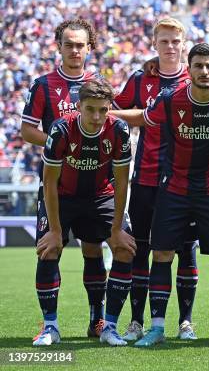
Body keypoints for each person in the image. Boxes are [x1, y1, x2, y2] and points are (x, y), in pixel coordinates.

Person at [111, 43, 209, 348]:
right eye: (199, 65)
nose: (205, 71)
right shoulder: (169, 99)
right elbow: (141, 119)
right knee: (161, 255)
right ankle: (157, 327)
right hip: (173, 191)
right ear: (189, 70)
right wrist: (105, 113)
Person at [21, 19, 109, 338]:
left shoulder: (99, 84)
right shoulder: (43, 85)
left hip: (95, 186)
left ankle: (97, 320)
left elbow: (111, 126)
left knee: (93, 249)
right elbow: (27, 130)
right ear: (58, 46)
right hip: (56, 187)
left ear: (89, 47)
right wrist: (60, 142)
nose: (74, 50)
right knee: (49, 249)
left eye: (80, 44)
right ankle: (50, 326)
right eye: (68, 44)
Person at [113, 18, 200, 342]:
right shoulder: (140, 79)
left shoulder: (195, 78)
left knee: (185, 251)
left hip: (185, 181)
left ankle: (185, 322)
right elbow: (114, 112)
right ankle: (136, 320)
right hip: (146, 180)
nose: (170, 47)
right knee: (142, 250)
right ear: (154, 43)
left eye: (176, 41)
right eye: (164, 41)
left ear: (184, 43)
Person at [34, 79, 135, 346]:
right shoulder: (61, 130)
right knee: (49, 249)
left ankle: (107, 326)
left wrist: (116, 230)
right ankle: (50, 327)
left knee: (124, 249)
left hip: (100, 195)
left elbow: (122, 181)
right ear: (78, 106)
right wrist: (55, 232)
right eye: (90, 109)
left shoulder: (119, 130)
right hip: (62, 195)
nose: (97, 116)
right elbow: (50, 182)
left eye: (103, 110)